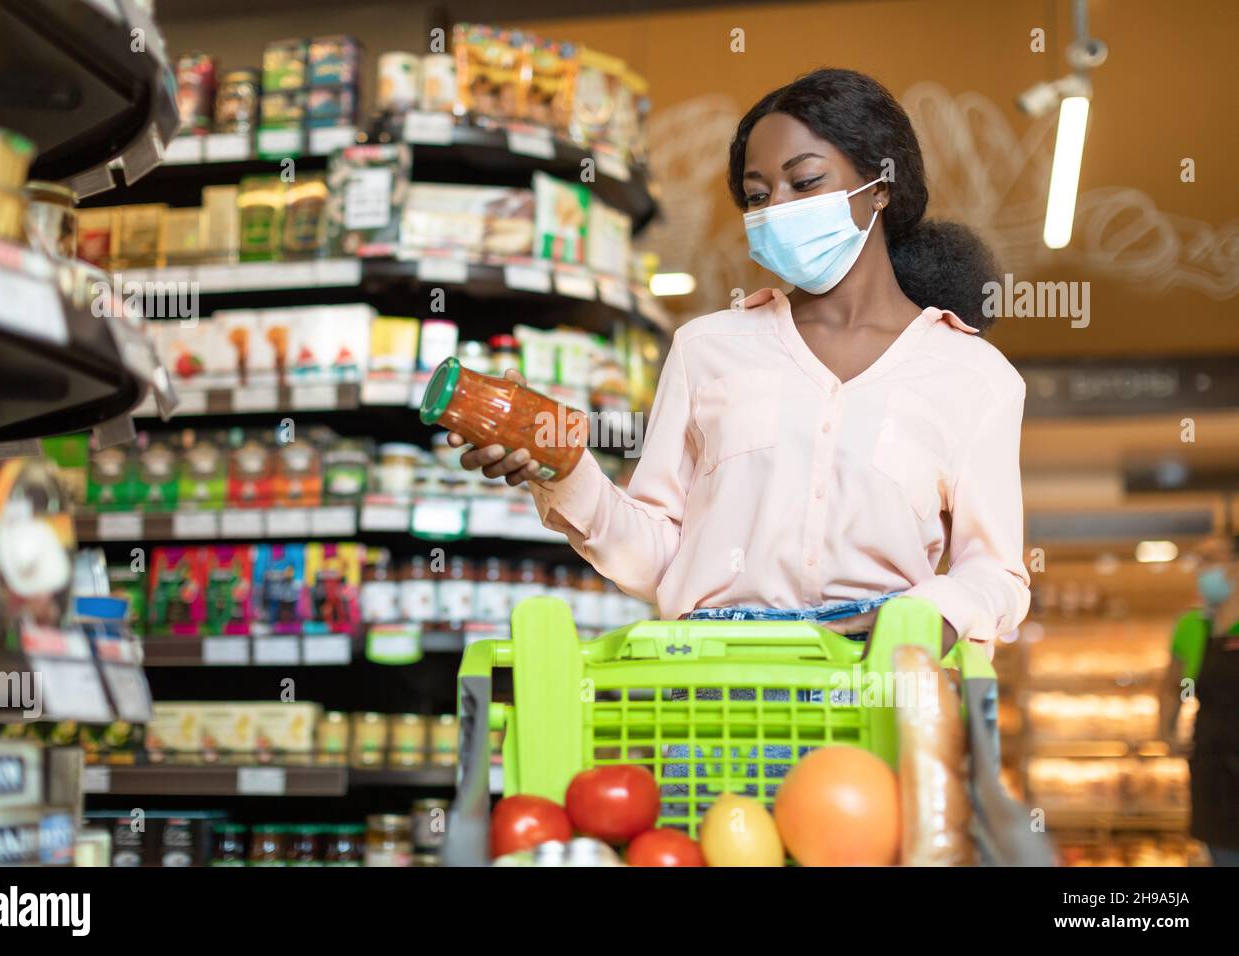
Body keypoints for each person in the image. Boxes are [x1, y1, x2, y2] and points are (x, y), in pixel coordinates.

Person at [450, 68, 1030, 656]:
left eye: (803, 182)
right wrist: (566, 471)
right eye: (757, 194)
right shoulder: (706, 348)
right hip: (710, 679)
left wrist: (934, 616)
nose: (776, 207)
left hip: (876, 673)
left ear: (879, 186)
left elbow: (997, 573)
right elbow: (656, 556)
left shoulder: (975, 377)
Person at [1160, 551, 1239, 867]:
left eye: (1213, 559)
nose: (1204, 570)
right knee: (1223, 855)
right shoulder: (1192, 625)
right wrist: (1166, 731)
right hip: (1212, 765)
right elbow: (1173, 686)